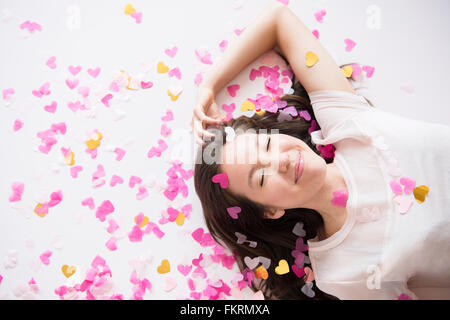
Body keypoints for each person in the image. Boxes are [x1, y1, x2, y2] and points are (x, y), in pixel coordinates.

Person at [191, 2, 450, 300]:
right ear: (270, 211)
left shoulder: (348, 124)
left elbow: (278, 20)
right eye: (261, 176)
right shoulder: (340, 272)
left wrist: (208, 85)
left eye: (267, 144)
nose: (281, 161)